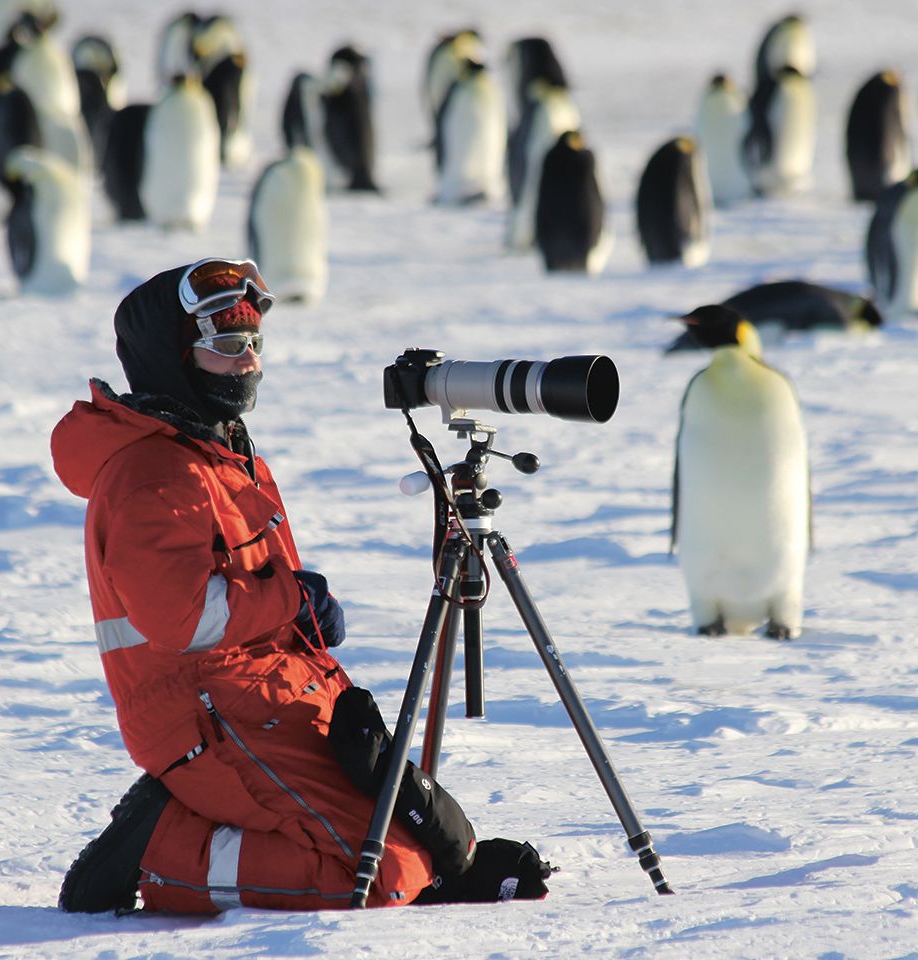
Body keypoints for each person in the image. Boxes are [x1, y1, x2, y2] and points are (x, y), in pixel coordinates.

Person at [49, 258, 551, 914]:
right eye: (228, 347)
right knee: (375, 876)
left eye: (255, 344)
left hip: (271, 691)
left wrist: (302, 618)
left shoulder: (222, 453)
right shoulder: (155, 476)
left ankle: (210, 829)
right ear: (174, 359)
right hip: (202, 714)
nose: (249, 363)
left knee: (413, 844)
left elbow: (251, 598)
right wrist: (294, 599)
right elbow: (186, 620)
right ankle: (158, 853)